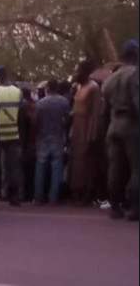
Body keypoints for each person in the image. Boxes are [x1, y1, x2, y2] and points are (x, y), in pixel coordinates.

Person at [102, 39, 139, 220]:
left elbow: (104, 110)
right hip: (131, 124)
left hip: (113, 125)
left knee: (115, 168)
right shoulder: (134, 74)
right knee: (136, 167)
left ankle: (115, 206)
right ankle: (135, 207)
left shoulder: (110, 79)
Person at [69, 60, 102, 206]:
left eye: (78, 71)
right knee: (75, 162)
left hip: (86, 129)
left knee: (85, 163)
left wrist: (92, 135)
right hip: (76, 128)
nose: (75, 74)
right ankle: (75, 191)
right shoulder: (78, 87)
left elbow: (95, 113)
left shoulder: (93, 88)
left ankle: (86, 194)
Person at [0, 66, 23, 206]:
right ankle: (14, 197)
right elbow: (21, 115)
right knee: (12, 168)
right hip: (13, 134)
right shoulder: (18, 92)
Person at [34, 79, 70, 205]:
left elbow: (36, 122)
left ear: (47, 88)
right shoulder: (64, 102)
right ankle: (53, 197)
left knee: (40, 168)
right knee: (56, 168)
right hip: (58, 136)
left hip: (43, 137)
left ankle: (38, 197)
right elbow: (67, 120)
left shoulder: (40, 103)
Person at [20, 88, 37, 202]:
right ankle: (30, 193)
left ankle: (24, 194)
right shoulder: (34, 106)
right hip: (33, 142)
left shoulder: (23, 108)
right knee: (31, 170)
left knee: (23, 169)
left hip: (25, 142)